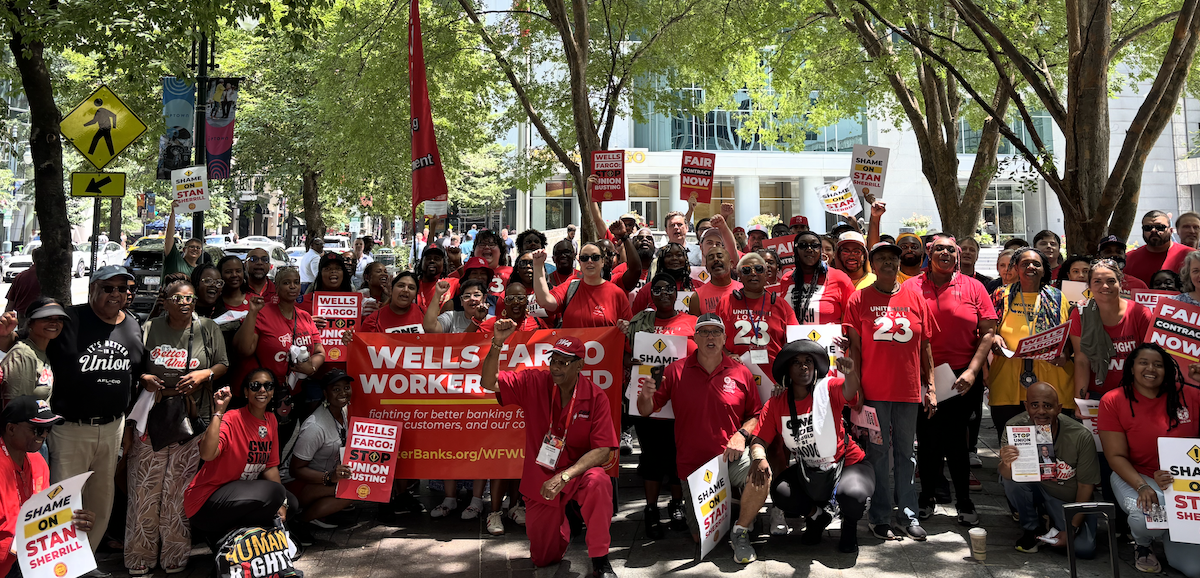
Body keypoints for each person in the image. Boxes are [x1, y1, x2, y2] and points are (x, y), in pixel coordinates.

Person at [480, 325, 619, 578]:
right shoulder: (535, 381)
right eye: (553, 361)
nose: (556, 367)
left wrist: (565, 476)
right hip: (541, 478)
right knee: (543, 558)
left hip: (576, 475)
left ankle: (600, 560)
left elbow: (603, 451)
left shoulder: (596, 397)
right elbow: (489, 382)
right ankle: (567, 520)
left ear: (579, 366)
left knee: (599, 481)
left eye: (564, 363)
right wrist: (497, 344)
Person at [637, 314, 766, 564]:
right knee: (699, 538)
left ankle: (740, 531)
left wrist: (741, 435)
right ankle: (737, 507)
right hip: (693, 466)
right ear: (694, 338)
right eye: (704, 332)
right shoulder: (675, 371)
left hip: (731, 457)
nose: (710, 337)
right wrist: (645, 394)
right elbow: (645, 409)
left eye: (716, 332)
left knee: (762, 472)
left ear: (724, 339)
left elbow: (757, 414)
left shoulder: (741, 372)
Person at [127, 279, 228, 576]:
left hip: (191, 416)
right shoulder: (150, 327)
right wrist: (144, 377)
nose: (185, 303)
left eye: (189, 298)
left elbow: (222, 363)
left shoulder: (207, 327)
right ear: (166, 300)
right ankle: (139, 554)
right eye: (178, 298)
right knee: (144, 488)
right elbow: (134, 365)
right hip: (153, 413)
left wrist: (204, 374)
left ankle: (174, 552)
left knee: (178, 489)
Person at [44, 265, 142, 555]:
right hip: (70, 428)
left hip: (113, 427)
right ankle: (58, 566)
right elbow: (35, 347)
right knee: (63, 501)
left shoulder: (133, 324)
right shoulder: (70, 319)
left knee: (101, 501)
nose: (116, 294)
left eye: (122, 289)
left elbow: (136, 371)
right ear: (92, 289)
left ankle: (85, 562)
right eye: (108, 288)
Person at [845, 241, 936, 541]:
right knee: (879, 453)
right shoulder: (858, 300)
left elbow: (925, 347)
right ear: (872, 265)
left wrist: (931, 387)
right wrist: (855, 389)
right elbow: (854, 350)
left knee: (907, 453)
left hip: (909, 390)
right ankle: (880, 515)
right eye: (881, 258)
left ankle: (907, 514)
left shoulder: (916, 297)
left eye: (892, 259)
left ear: (899, 264)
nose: (888, 263)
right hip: (874, 391)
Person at [905, 235, 996, 525]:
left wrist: (972, 371)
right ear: (928, 254)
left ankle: (965, 502)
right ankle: (926, 497)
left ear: (957, 256)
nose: (945, 253)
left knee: (958, 442)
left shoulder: (974, 286)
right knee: (928, 441)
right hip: (922, 376)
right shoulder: (910, 286)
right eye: (938, 249)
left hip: (962, 377)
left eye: (950, 250)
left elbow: (988, 331)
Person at [751, 341, 871, 553]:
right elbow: (759, 440)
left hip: (848, 464)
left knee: (852, 496)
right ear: (788, 369)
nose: (803, 366)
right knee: (780, 491)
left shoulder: (829, 388)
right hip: (810, 470)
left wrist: (850, 372)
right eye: (796, 362)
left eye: (808, 361)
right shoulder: (777, 403)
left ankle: (849, 526)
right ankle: (817, 517)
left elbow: (850, 390)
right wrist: (758, 458)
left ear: (816, 367)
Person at [1099, 344, 1200, 577]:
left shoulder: (1190, 395)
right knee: (1148, 518)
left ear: (1168, 370)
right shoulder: (1113, 400)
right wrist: (1143, 485)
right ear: (1132, 367)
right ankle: (1144, 544)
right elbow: (1115, 456)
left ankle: (1171, 532)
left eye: (1158, 364)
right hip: (1138, 475)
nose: (1150, 368)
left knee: (1195, 570)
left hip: (1185, 484)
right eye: (1143, 362)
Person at [184, 373, 300, 544]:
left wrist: (281, 502)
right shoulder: (232, 418)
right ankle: (223, 538)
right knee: (274, 493)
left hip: (239, 496)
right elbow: (207, 454)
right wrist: (219, 412)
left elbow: (270, 466)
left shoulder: (271, 420)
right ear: (246, 392)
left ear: (273, 391)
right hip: (206, 502)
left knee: (290, 502)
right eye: (255, 386)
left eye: (268, 386)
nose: (262, 390)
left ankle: (244, 541)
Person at [999, 382, 1100, 557]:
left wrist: (1071, 529)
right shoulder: (1014, 427)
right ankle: (1033, 528)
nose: (1041, 412)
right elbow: (1007, 475)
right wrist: (1006, 463)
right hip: (1036, 488)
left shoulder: (1080, 435)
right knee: (1011, 478)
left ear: (1059, 408)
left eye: (1048, 406)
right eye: (1034, 405)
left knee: (1083, 549)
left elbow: (1086, 487)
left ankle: (1053, 521)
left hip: (1066, 499)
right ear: (1026, 406)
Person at [1, 397, 97, 578]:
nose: (44, 435)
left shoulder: (38, 462)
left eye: (48, 429)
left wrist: (72, 519)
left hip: (30, 554)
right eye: (37, 429)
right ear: (11, 428)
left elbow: (39, 515)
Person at [989, 247, 1074, 431]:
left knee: (1049, 450)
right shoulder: (1000, 296)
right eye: (1024, 263)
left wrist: (1065, 354)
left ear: (1044, 269)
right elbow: (985, 331)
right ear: (1016, 268)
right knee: (1012, 450)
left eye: (1036, 264)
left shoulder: (1058, 298)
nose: (1031, 267)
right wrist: (994, 337)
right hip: (1007, 387)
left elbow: (1069, 338)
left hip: (1052, 385)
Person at [233, 267, 325, 403]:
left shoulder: (305, 317)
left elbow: (320, 351)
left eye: (296, 282)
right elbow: (244, 350)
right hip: (262, 392)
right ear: (277, 287)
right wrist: (252, 313)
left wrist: (311, 368)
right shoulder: (262, 314)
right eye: (286, 283)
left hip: (293, 393)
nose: (293, 286)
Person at [1070, 260, 1154, 400]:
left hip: (1135, 390)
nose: (1105, 286)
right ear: (1089, 286)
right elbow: (1082, 360)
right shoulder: (1080, 314)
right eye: (1097, 281)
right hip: (1096, 394)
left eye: (1111, 281)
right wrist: (1080, 398)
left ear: (1120, 285)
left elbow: (1149, 357)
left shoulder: (1140, 313)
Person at [717, 253, 798, 387]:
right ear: (739, 275)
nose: (753, 273)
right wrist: (727, 355)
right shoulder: (726, 302)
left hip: (774, 379)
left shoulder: (781, 305)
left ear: (766, 273)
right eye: (746, 270)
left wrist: (785, 376)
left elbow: (794, 344)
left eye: (759, 269)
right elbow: (715, 339)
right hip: (733, 376)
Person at [287, 369, 354, 532]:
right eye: (336, 389)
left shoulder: (343, 411)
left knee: (356, 485)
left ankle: (317, 512)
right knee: (351, 492)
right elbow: (295, 470)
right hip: (296, 485)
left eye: (346, 387)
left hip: (323, 478)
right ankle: (297, 521)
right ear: (325, 393)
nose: (343, 393)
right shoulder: (315, 426)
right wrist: (329, 477)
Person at [532, 244, 632, 328]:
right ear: (579, 262)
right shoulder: (570, 287)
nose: (589, 261)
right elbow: (545, 301)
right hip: (570, 350)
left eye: (595, 257)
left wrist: (625, 327)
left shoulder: (617, 293)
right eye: (584, 258)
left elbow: (629, 330)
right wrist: (538, 265)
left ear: (602, 261)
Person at [0, 299, 65, 408]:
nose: (54, 322)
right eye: (46, 318)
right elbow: (15, 408)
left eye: (59, 319)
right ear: (30, 323)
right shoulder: (23, 355)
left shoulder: (42, 351)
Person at [781, 230, 856, 324]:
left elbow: (854, 317)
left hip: (828, 338)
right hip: (792, 338)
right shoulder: (786, 279)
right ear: (796, 250)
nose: (809, 249)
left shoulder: (840, 279)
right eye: (803, 245)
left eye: (815, 245)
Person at [1125, 210, 1196, 285]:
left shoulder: (1192, 256)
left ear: (1171, 231)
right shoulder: (1129, 259)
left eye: (1160, 227)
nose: (1153, 231)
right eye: (1148, 227)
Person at [361, 272, 426, 333]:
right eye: (401, 286)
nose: (406, 290)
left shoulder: (425, 314)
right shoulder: (373, 321)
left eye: (411, 288)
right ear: (391, 290)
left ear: (415, 295)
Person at [690, 245, 741, 315]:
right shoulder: (697, 297)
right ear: (707, 268)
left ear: (731, 264)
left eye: (720, 256)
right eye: (711, 258)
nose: (716, 260)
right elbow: (693, 324)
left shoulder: (743, 289)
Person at [162, 204, 203, 279]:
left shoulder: (200, 271)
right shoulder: (175, 260)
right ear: (184, 249)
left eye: (198, 248)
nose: (195, 249)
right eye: (192, 247)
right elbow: (169, 238)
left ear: (201, 251)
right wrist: (173, 213)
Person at [4, 248, 42, 328]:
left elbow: (10, 304)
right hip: (42, 316)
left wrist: (5, 323)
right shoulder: (48, 277)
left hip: (22, 317)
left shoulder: (20, 277)